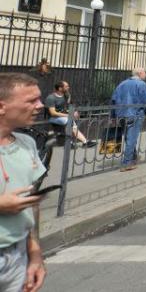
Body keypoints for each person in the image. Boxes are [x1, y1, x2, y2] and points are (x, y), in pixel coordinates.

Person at [0, 73, 47, 292]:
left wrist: (35, 253)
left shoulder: (27, 144)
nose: (40, 106)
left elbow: (32, 204)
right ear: (2, 107)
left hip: (17, 256)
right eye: (31, 101)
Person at [110, 68, 146, 171]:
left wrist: (112, 116)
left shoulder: (122, 84)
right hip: (135, 114)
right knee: (131, 138)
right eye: (144, 72)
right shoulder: (141, 84)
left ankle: (133, 158)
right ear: (139, 74)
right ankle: (127, 163)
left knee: (128, 137)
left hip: (121, 114)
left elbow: (113, 100)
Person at [43, 81, 95, 148]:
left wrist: (74, 111)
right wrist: (68, 115)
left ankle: (74, 143)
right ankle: (81, 142)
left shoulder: (66, 95)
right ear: (60, 88)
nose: (68, 88)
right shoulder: (51, 98)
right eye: (66, 86)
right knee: (69, 121)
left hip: (63, 117)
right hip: (53, 118)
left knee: (70, 122)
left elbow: (70, 105)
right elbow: (53, 113)